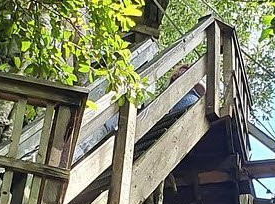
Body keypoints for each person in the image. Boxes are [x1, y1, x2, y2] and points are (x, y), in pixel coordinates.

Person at [72, 64, 206, 161]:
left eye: (182, 74)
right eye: (178, 73)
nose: (178, 75)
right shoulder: (169, 97)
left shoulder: (190, 97)